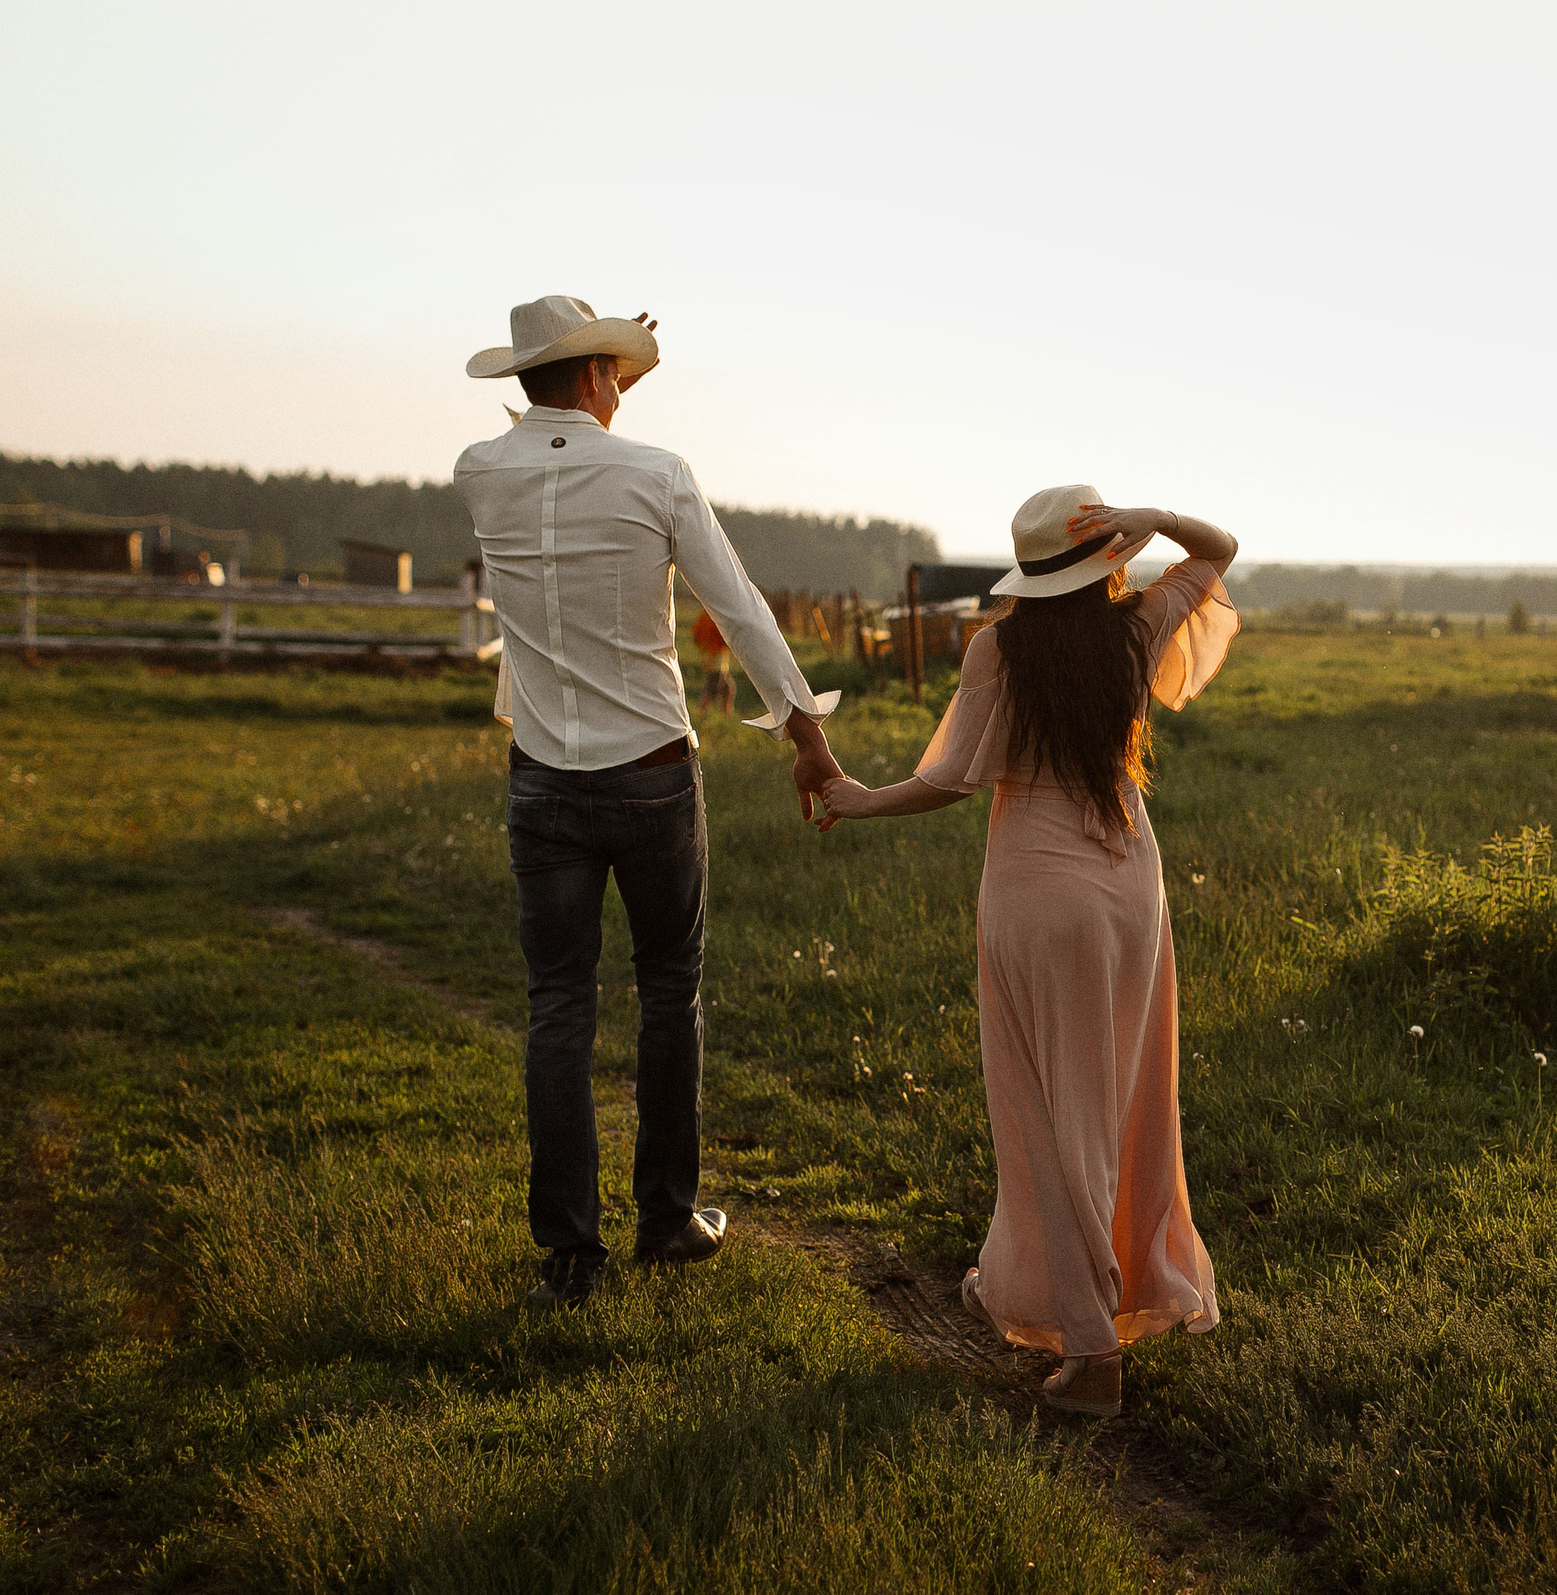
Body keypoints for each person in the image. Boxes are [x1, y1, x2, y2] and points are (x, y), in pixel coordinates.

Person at [457, 295, 843, 1309]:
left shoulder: (478, 472)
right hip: (652, 774)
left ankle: (571, 1256)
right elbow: (738, 608)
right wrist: (805, 736)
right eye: (614, 376)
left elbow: (553, 458)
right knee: (669, 991)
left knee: (558, 1010)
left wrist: (603, 365)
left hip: (542, 775)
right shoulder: (656, 473)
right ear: (593, 376)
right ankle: (665, 1220)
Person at [818, 486, 1238, 1417]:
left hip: (1036, 896)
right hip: (1131, 886)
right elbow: (1221, 548)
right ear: (1105, 561)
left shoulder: (999, 647)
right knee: (1123, 1102)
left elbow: (951, 779)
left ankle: (1091, 1353)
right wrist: (1155, 518)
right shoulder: (1137, 626)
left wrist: (857, 796)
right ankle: (1056, 1285)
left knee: (1049, 1116)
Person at [691, 606, 736, 716]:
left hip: (710, 659)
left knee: (727, 688)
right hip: (716, 662)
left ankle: (725, 714)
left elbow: (696, 636)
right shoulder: (715, 617)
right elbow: (724, 639)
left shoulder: (705, 615)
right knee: (712, 688)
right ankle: (702, 712)